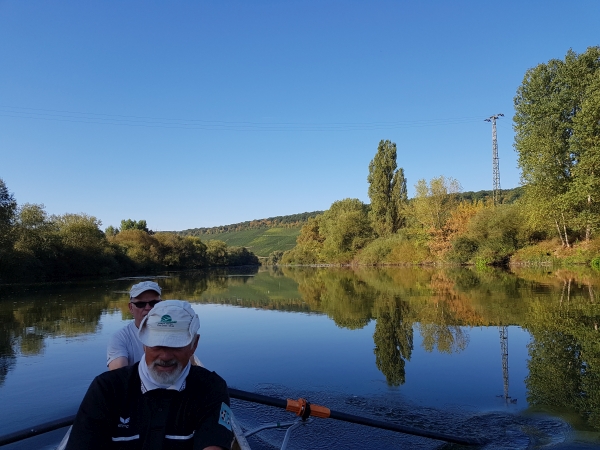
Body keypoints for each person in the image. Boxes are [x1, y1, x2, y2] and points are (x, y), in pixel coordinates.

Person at [66, 300, 234, 450]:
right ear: (144, 344)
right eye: (157, 345)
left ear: (194, 345)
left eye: (176, 346)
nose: (165, 356)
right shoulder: (106, 388)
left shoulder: (211, 387)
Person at [107, 280, 162, 370]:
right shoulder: (120, 338)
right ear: (131, 308)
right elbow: (118, 376)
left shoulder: (176, 331)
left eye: (154, 303)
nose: (148, 308)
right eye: (141, 304)